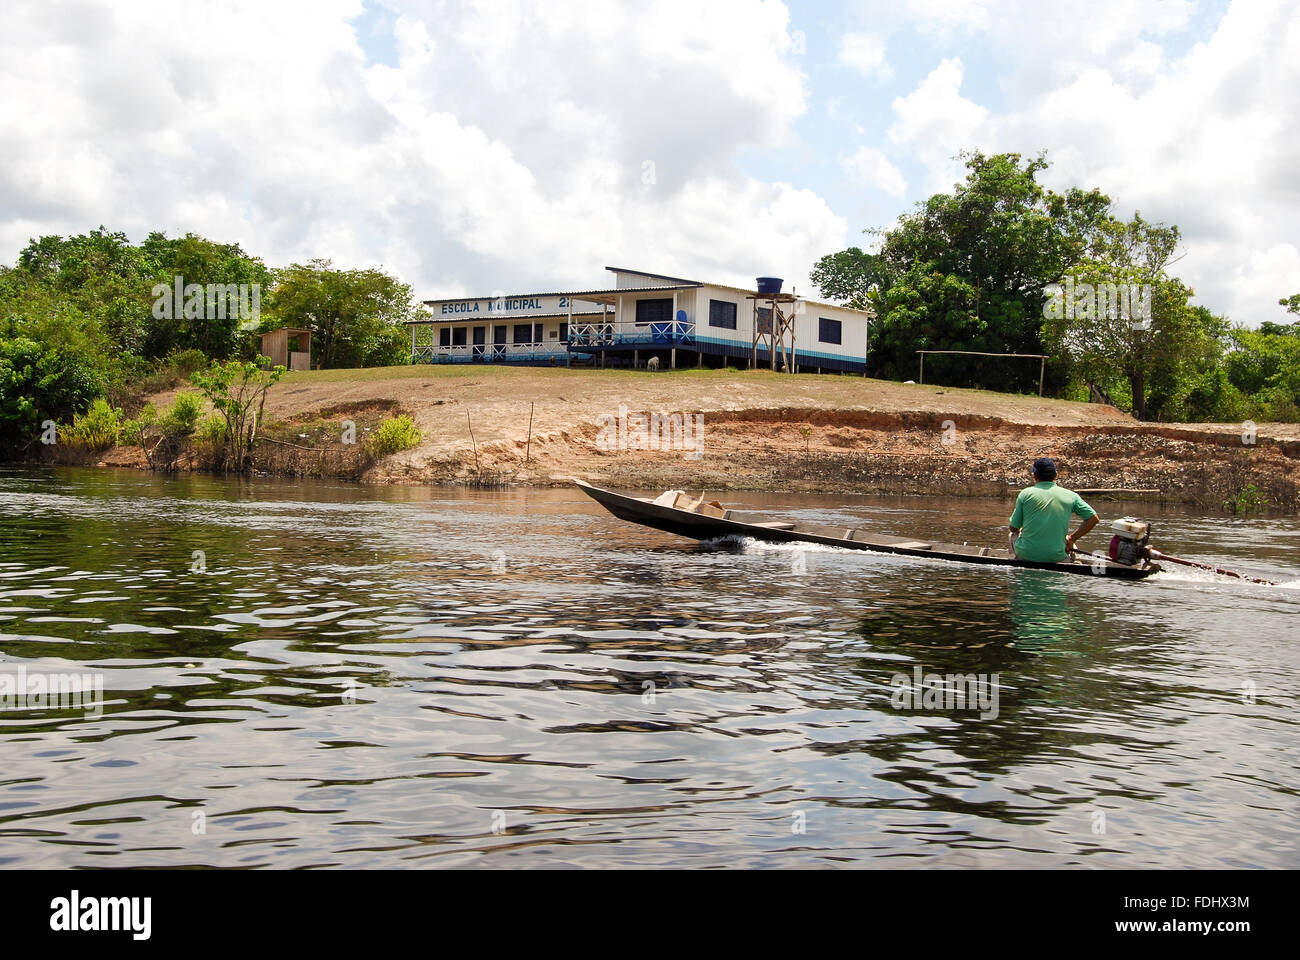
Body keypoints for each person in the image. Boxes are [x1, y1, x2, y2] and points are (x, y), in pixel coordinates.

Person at [1008, 457, 1098, 563]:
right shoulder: (1071, 496)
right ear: (1056, 475)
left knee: (1012, 535)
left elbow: (1013, 528)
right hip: (1056, 557)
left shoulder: (1025, 494)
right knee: (1070, 542)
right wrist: (1072, 538)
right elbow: (1093, 518)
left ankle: (1019, 557)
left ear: (1034, 475)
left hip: (1027, 555)